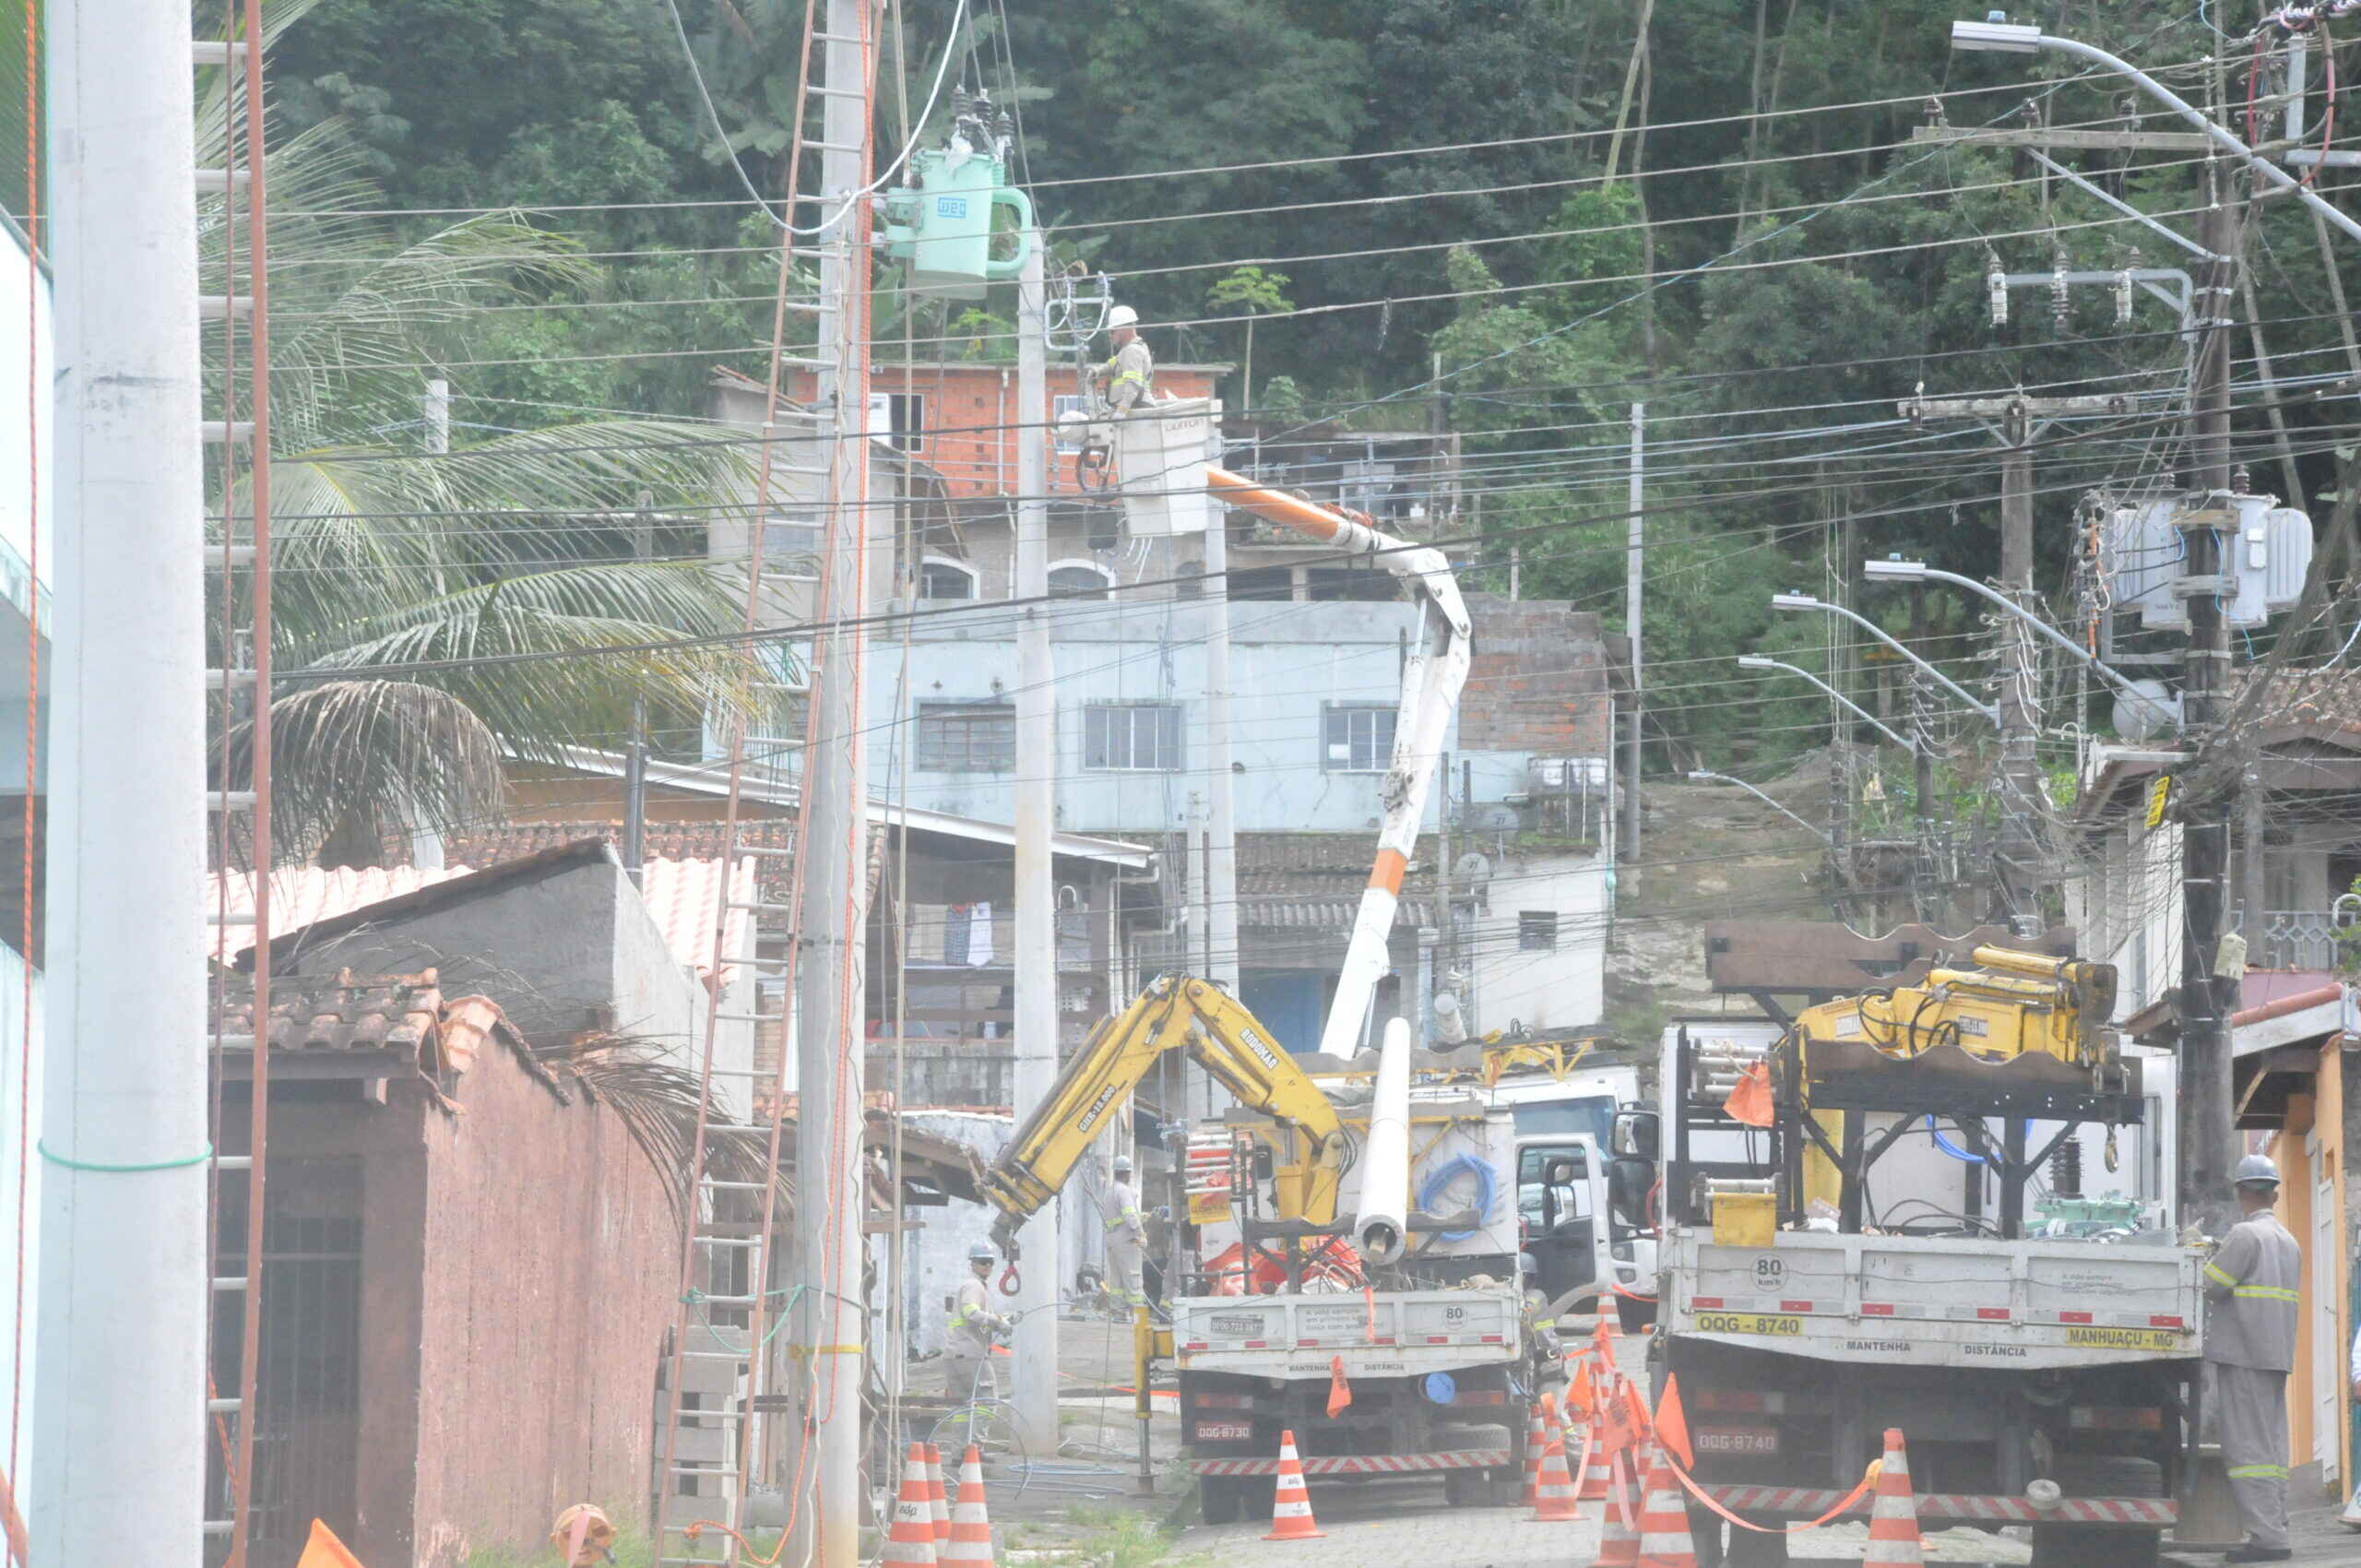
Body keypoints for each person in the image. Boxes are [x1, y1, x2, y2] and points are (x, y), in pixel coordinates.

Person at [2203, 1153, 2303, 1563]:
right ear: (2275, 1194)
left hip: (2243, 1353)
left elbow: (2212, 1285)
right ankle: (2275, 1524)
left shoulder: (2245, 1236)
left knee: (2247, 1451)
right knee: (2272, 1448)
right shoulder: (2288, 1241)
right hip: (2274, 1355)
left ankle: (2267, 1539)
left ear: (2243, 1193)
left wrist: (2206, 1252)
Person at [946, 1240, 1011, 1404]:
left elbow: (977, 1321)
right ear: (973, 1263)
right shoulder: (974, 1285)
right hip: (971, 1355)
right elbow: (972, 1313)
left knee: (963, 1406)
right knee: (988, 1403)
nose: (987, 1266)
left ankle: (964, 1431)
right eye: (983, 1262)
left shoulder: (970, 1285)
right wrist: (997, 1321)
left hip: (955, 1356)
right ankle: (978, 1431)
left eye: (991, 1262)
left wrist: (1003, 1321)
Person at [1099, 1153, 1148, 1315]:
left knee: (1117, 1280)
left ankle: (1118, 1312)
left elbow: (1117, 1216)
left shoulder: (1108, 1192)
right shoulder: (1124, 1191)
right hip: (1126, 1241)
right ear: (1127, 1173)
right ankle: (1138, 1316)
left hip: (1112, 1241)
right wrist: (1140, 1233)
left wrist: (1140, 1218)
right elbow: (1130, 1216)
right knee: (1133, 1278)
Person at [1090, 305, 1155, 415]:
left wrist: (1121, 412)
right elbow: (1112, 366)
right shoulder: (1127, 351)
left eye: (1112, 331)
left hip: (1137, 409)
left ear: (1123, 329)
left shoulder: (1132, 351)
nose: (1110, 336)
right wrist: (1097, 371)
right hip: (1134, 407)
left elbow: (1133, 386)